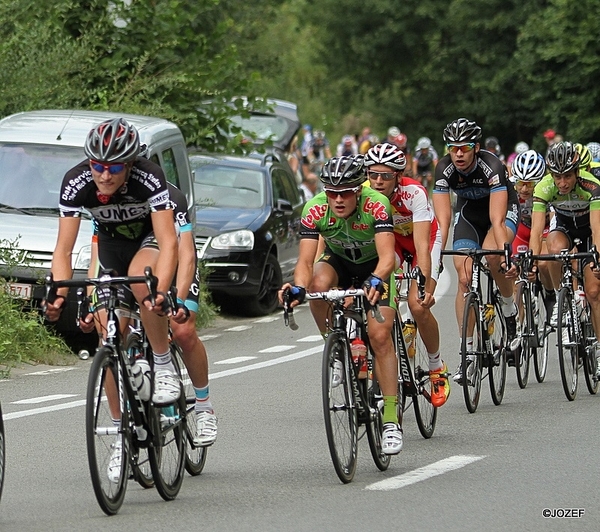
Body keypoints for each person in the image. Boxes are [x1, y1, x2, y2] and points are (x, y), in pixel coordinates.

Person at [45, 118, 182, 479]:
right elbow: (63, 249)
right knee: (108, 331)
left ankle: (164, 362)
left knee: (144, 284)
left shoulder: (149, 177)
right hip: (111, 248)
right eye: (98, 165)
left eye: (115, 167)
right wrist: (59, 291)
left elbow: (169, 242)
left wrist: (162, 291)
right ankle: (121, 431)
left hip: (149, 243)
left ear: (131, 164)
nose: (104, 175)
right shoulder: (76, 183)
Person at [279, 155, 403, 454]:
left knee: (380, 336)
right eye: (331, 192)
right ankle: (334, 345)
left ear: (359, 190)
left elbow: (388, 257)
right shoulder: (315, 208)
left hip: (376, 266)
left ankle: (389, 420)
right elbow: (306, 261)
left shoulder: (376, 204)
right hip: (340, 262)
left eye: (345, 192)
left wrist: (375, 279)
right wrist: (297, 287)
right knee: (316, 285)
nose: (337, 199)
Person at [86, 181, 218, 449]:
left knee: (183, 330)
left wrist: (178, 299)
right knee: (108, 337)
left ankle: (204, 408)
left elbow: (187, 253)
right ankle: (119, 431)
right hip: (126, 264)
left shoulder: (169, 196)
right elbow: (96, 259)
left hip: (171, 261)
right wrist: (91, 301)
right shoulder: (103, 199)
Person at [432, 118, 520, 383]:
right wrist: (436, 257)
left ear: (476, 147)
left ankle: (508, 310)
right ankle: (468, 354)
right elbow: (444, 221)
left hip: (500, 212)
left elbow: (496, 219)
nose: (458, 153)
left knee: (493, 256)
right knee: (464, 278)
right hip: (469, 215)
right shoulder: (444, 169)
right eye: (453, 147)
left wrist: (506, 252)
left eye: (465, 147)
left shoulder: (491, 165)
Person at [364, 143, 449, 407]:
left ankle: (436, 366)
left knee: (417, 304)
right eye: (373, 174)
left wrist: (423, 283)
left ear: (398, 177)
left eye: (386, 175)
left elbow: (423, 246)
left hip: (423, 242)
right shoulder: (364, 195)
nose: (378, 181)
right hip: (395, 247)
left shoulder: (414, 193)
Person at [530, 142, 600, 358]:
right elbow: (536, 230)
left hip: (589, 232)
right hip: (564, 229)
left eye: (567, 176)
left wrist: (597, 257)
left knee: (594, 292)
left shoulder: (592, 186)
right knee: (552, 249)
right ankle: (565, 301)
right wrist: (531, 261)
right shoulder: (543, 187)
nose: (562, 183)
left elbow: (597, 229)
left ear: (577, 172)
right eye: (557, 176)